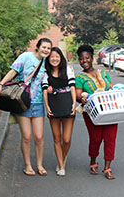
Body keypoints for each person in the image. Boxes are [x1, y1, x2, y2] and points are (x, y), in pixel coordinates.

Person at [0, 38, 52, 176]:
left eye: (49, 48)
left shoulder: (46, 62)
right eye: (44, 47)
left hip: (38, 104)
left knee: (39, 137)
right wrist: (1, 84)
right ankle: (28, 165)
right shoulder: (26, 57)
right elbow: (13, 71)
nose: (46, 50)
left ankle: (39, 164)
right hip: (22, 101)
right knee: (26, 136)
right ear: (37, 47)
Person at [75, 45, 118, 180]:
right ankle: (93, 161)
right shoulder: (80, 77)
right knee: (96, 139)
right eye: (81, 59)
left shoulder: (103, 73)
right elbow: (76, 95)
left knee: (110, 138)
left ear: (92, 58)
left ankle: (107, 168)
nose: (84, 61)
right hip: (92, 113)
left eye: (87, 58)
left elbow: (111, 87)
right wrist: (82, 97)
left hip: (110, 110)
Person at [42, 47, 76, 176]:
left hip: (67, 104)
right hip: (54, 106)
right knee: (57, 138)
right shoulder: (46, 73)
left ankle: (63, 156)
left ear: (61, 57)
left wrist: (74, 103)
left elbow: (72, 87)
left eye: (57, 56)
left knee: (66, 139)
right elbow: (45, 90)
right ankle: (61, 166)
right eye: (52, 57)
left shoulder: (68, 70)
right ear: (48, 59)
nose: (54, 59)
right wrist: (47, 106)